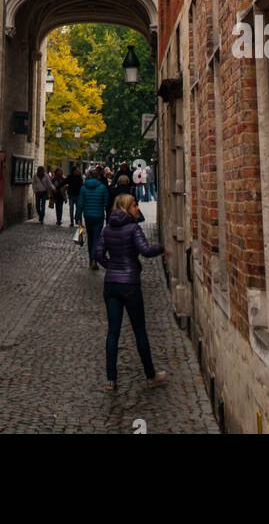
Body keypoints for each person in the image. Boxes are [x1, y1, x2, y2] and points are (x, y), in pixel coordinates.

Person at [94, 193, 166, 391]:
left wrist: (111, 266)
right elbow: (146, 250)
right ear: (126, 208)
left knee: (113, 333)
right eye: (134, 205)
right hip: (130, 285)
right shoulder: (133, 228)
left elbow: (98, 253)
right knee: (139, 331)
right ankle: (150, 375)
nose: (138, 208)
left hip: (111, 285)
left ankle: (111, 379)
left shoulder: (107, 229)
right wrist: (163, 247)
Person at [80, 166, 110, 268]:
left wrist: (78, 217)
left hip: (88, 216)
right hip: (98, 216)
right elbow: (106, 203)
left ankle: (91, 259)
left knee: (90, 237)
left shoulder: (83, 188)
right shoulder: (102, 187)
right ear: (98, 176)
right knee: (97, 238)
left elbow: (80, 203)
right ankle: (94, 259)